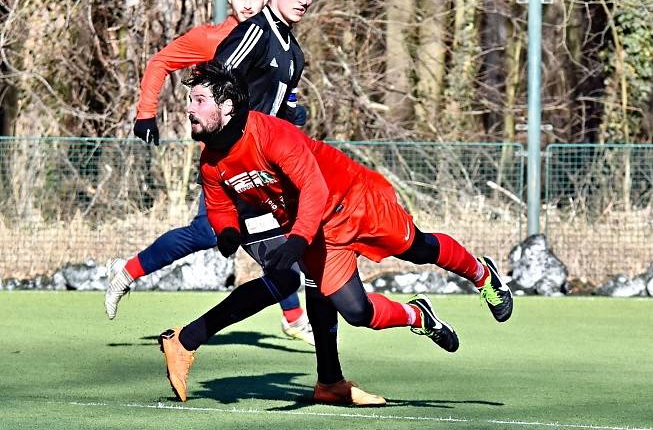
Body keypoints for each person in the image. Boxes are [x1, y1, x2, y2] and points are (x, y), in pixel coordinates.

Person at [157, 62, 514, 404]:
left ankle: (482, 275)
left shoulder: (273, 135)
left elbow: (314, 189)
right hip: (316, 232)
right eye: (190, 100)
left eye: (199, 101)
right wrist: (228, 233)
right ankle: (418, 316)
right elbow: (220, 206)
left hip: (354, 201)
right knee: (357, 313)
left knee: (418, 249)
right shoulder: (210, 162)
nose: (190, 109)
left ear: (228, 105)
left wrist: (296, 239)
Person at [104, 0, 313, 345]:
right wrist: (146, 112)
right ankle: (131, 273)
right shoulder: (216, 39)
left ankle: (294, 315)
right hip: (227, 159)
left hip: (261, 156)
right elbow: (160, 63)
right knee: (213, 230)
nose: (249, 4)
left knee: (274, 226)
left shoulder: (279, 41)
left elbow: (280, 92)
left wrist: (291, 113)